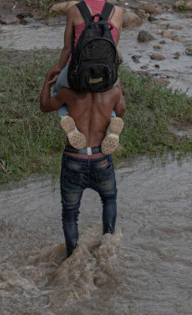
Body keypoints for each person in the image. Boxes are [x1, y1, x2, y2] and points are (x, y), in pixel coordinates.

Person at [40, 31, 127, 257]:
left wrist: (47, 80)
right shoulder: (113, 91)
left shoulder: (68, 93)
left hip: (74, 157)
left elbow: (44, 106)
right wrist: (117, 84)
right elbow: (123, 110)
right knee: (109, 198)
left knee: (70, 213)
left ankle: (72, 256)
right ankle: (108, 246)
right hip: (101, 157)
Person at [44, 0, 124, 152]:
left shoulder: (74, 10)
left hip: (77, 75)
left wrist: (58, 70)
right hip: (107, 75)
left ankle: (66, 119)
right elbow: (114, 48)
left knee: (58, 90)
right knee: (110, 94)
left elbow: (67, 48)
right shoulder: (117, 12)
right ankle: (112, 123)